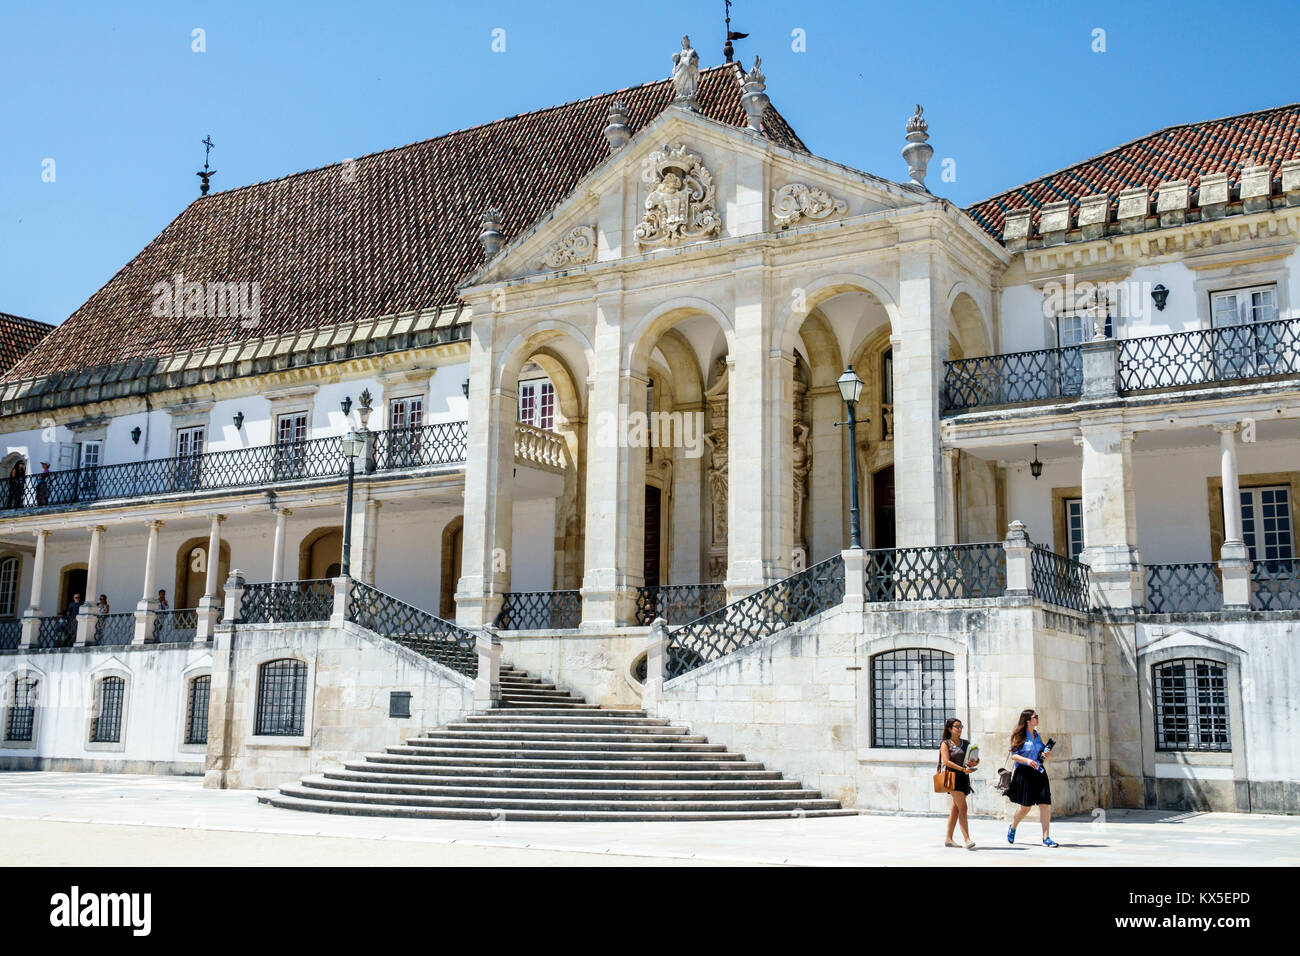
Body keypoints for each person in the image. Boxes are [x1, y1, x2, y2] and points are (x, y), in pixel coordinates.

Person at [1006, 708, 1057, 847]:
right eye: (1035, 717)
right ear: (1028, 720)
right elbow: (1013, 755)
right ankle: (1013, 826)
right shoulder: (1019, 735)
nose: (1037, 718)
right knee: (1025, 807)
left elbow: (1041, 752)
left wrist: (1046, 754)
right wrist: (1027, 761)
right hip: (1024, 772)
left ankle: (1046, 838)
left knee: (1044, 803)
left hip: (1039, 772)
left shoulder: (1037, 735)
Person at [939, 717, 977, 849]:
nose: (960, 729)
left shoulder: (966, 743)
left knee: (955, 810)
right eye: (957, 726)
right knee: (963, 808)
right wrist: (962, 769)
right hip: (952, 778)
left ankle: (948, 839)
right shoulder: (945, 744)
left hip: (963, 778)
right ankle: (967, 839)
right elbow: (946, 762)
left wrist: (974, 762)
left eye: (961, 726)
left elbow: (975, 759)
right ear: (950, 729)